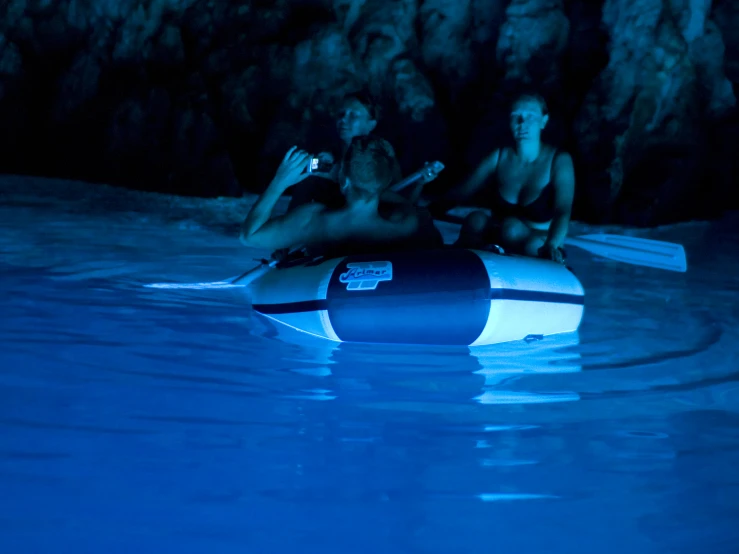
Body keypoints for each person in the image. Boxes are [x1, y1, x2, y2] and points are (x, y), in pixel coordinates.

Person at [240, 136, 442, 257]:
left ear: (343, 181)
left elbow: (250, 236)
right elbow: (433, 240)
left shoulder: (311, 221)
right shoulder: (410, 223)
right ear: (386, 182)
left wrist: (280, 181)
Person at [435, 92, 575, 264]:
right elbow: (462, 192)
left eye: (530, 116)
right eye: (516, 116)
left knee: (515, 231)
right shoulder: (500, 156)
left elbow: (563, 210)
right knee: (476, 219)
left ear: (544, 121)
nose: (522, 123)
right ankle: (461, 265)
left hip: (535, 239)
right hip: (500, 234)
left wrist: (553, 245)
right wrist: (428, 212)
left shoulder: (559, 160)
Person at [287, 91, 403, 212]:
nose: (343, 120)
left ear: (371, 124)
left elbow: (398, 192)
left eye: (353, 115)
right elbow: (309, 166)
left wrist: (336, 171)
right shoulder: (329, 150)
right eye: (341, 114)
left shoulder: (382, 153)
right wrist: (323, 167)